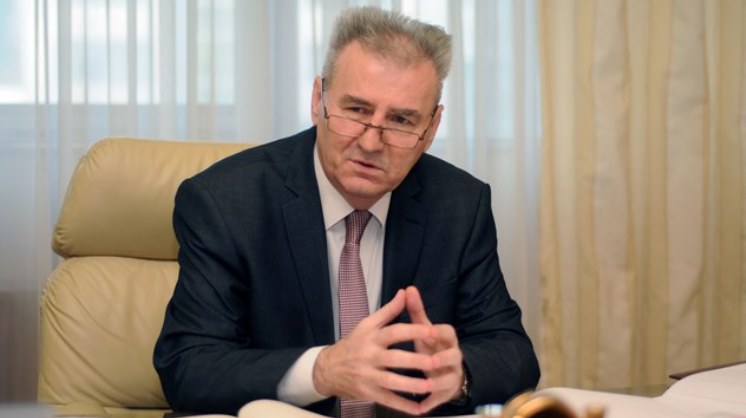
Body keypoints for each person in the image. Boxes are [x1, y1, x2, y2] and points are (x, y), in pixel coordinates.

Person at [154, 5, 540, 418]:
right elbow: (188, 367)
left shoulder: (459, 204)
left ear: (430, 129)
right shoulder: (226, 202)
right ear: (318, 100)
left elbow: (513, 354)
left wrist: (458, 374)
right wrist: (322, 370)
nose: (371, 143)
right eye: (356, 110)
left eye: (401, 120)